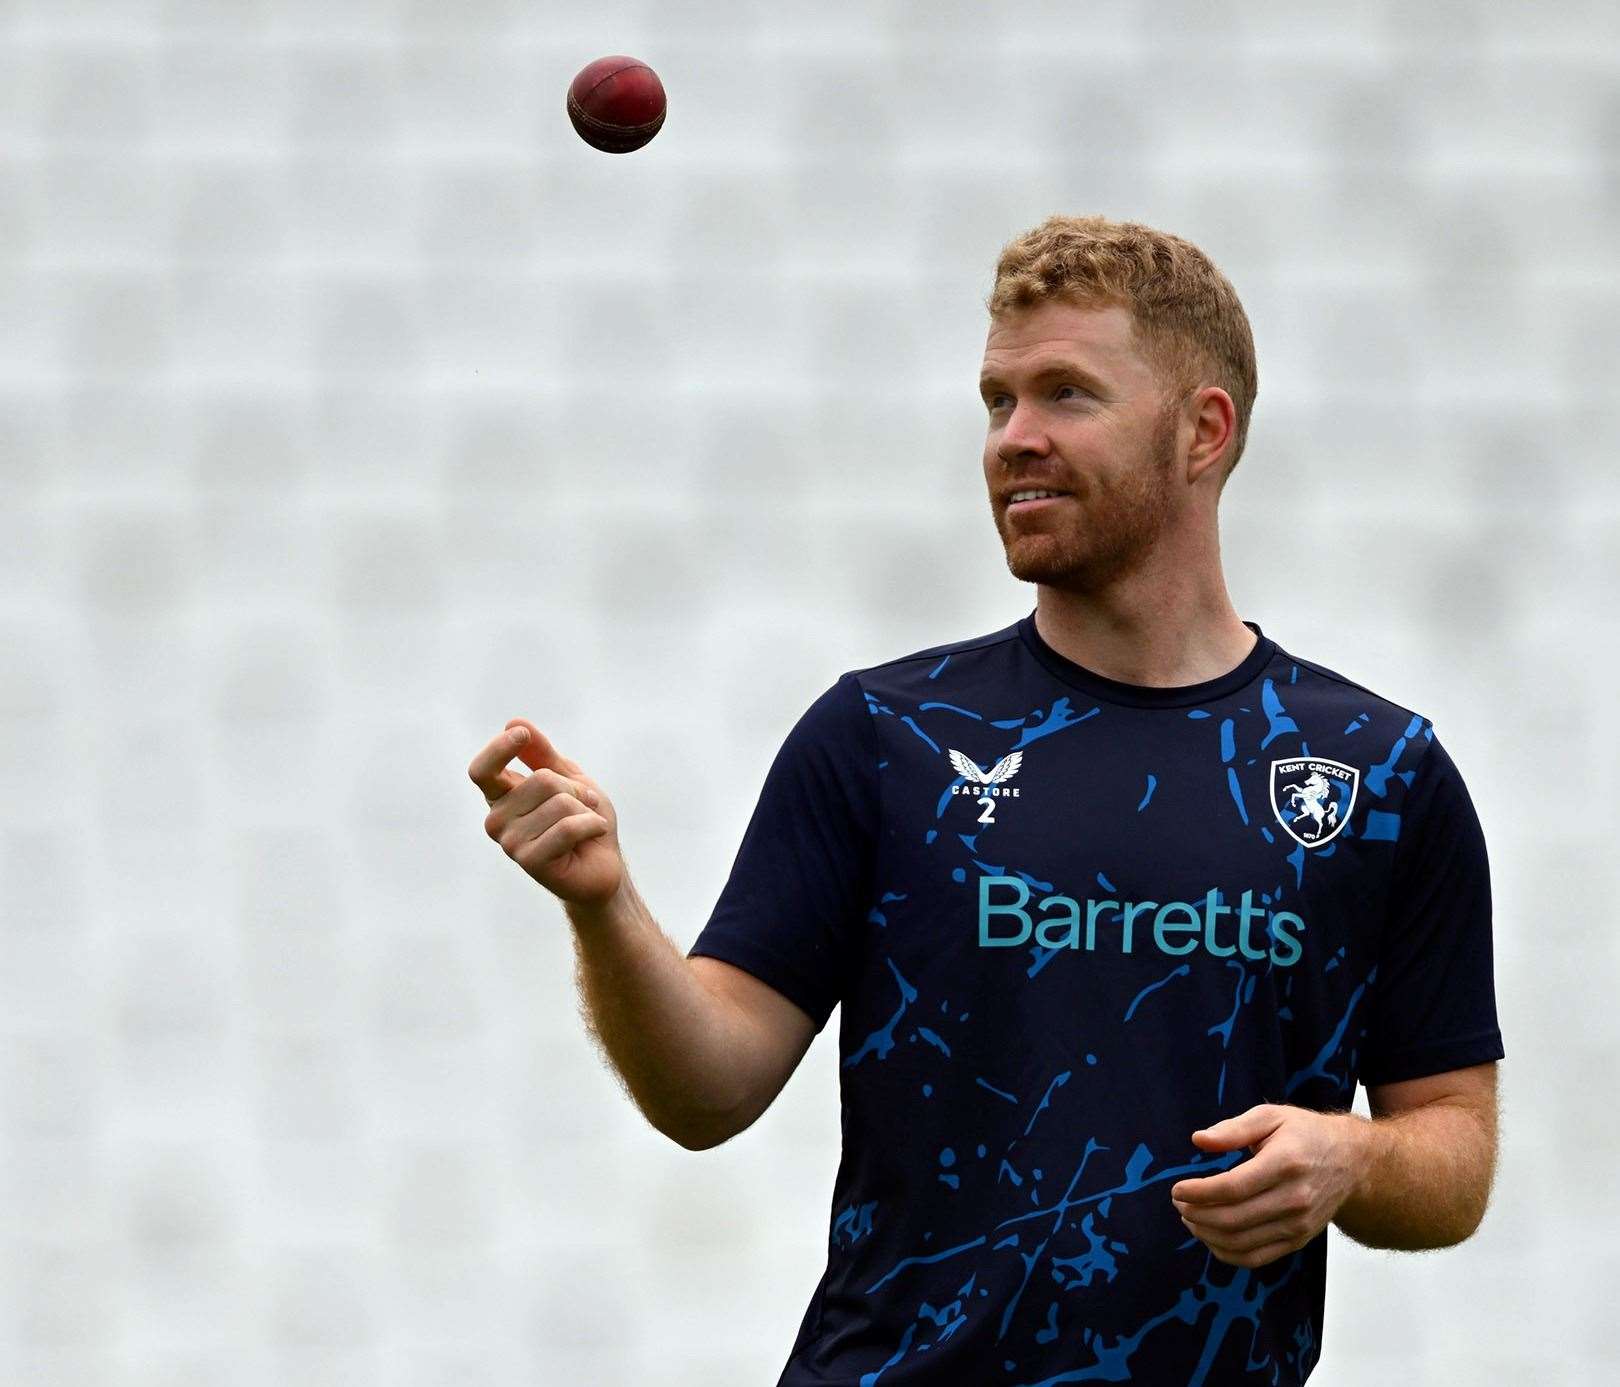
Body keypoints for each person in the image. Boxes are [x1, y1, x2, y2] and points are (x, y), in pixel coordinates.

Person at [467, 213, 1505, 1385]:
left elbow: (1455, 1151)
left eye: (1067, 395)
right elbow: (708, 1089)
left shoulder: (1377, 771)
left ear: (1202, 432)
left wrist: (1354, 1158)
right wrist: (604, 906)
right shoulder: (882, 736)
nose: (1015, 438)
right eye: (996, 401)